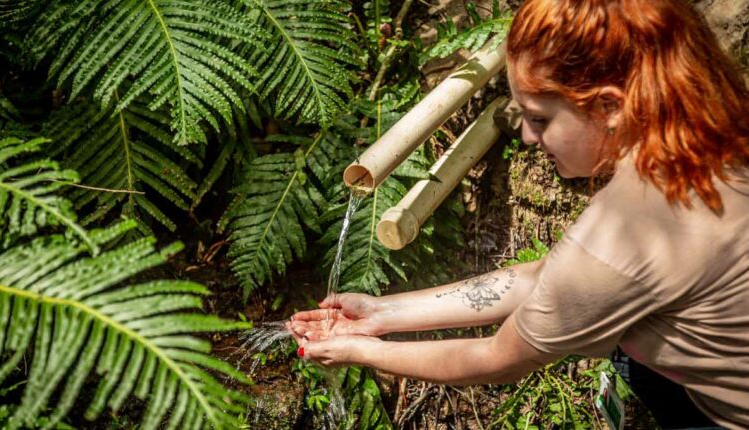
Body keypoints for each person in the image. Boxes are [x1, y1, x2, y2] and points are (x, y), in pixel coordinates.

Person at [288, 0, 749, 428]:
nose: (527, 136)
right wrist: (381, 313)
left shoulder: (626, 228)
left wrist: (361, 349)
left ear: (610, 106)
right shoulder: (710, 139)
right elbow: (551, 279)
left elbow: (496, 358)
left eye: (541, 118)